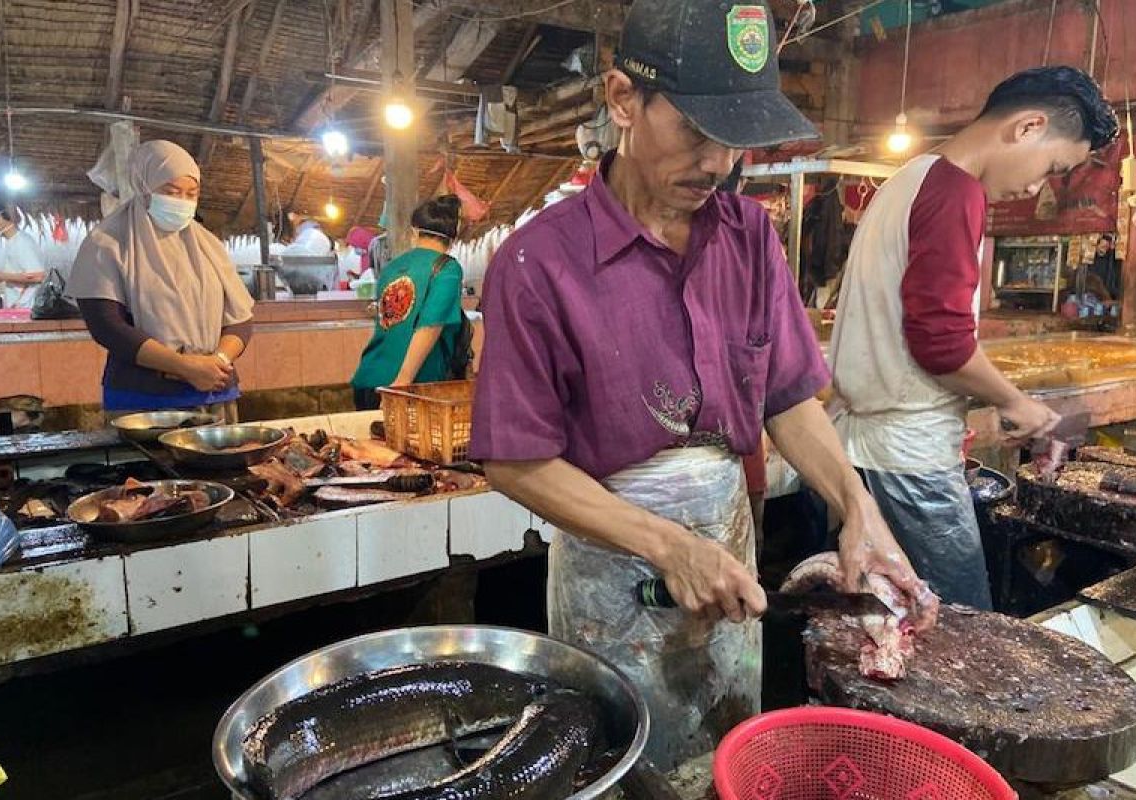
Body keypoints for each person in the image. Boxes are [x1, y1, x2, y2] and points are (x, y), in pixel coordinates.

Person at [469, 0, 935, 770]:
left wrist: (858, 508)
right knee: (625, 770)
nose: (718, 163)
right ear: (623, 99)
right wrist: (664, 543)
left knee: (720, 758)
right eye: (695, 131)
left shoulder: (749, 238)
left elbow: (788, 396)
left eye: (734, 141)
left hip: (727, 548)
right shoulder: (537, 262)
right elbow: (514, 460)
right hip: (614, 571)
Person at [829, 67, 1119, 609]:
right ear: (1028, 126)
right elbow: (940, 342)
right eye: (1052, 168)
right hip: (908, 460)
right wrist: (1015, 401)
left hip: (868, 447)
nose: (1037, 187)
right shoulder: (955, 191)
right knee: (962, 626)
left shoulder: (914, 176)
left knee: (882, 617)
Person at [68, 140, 255, 422]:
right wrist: (184, 367)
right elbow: (108, 326)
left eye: (191, 193)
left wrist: (218, 361)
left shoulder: (209, 246)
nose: (182, 201)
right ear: (144, 188)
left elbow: (239, 316)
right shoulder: (107, 243)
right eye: (171, 192)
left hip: (214, 392)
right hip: (144, 401)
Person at [350, 195, 465, 410]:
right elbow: (430, 325)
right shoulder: (448, 269)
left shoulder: (392, 267)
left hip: (369, 378)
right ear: (453, 238)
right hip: (410, 388)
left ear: (415, 231)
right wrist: (403, 381)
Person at [0, 195, 46, 309]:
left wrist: (1, 276)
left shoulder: (22, 241)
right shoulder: (11, 242)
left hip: (26, 309)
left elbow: (37, 276)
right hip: (16, 308)